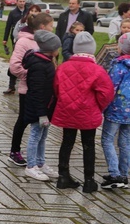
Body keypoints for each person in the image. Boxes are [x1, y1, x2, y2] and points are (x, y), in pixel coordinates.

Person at [52, 31, 114, 192]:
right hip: (88, 112)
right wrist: (98, 107)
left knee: (66, 142)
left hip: (67, 111)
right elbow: (106, 93)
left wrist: (65, 101)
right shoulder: (97, 70)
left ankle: (63, 176)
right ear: (92, 49)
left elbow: (57, 88)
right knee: (89, 145)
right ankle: (89, 180)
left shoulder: (63, 67)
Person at [7, 12, 54, 167]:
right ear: (42, 27)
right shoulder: (24, 42)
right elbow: (14, 66)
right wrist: (31, 75)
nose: (52, 29)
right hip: (28, 89)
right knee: (23, 120)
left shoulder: (45, 42)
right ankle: (14, 151)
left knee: (36, 124)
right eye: (50, 26)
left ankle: (38, 158)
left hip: (43, 89)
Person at [22, 30, 61, 181]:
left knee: (43, 136)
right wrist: (41, 113)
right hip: (39, 109)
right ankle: (31, 166)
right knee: (35, 136)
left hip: (46, 107)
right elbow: (37, 91)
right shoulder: (39, 65)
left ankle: (40, 162)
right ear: (50, 49)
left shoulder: (47, 61)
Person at [101, 33, 130, 189]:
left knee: (107, 139)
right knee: (125, 142)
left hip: (116, 110)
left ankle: (115, 174)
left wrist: (102, 107)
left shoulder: (118, 66)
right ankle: (124, 174)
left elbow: (109, 89)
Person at [2, 0, 26, 94]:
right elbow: (8, 26)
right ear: (16, 2)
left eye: (23, 1)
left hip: (29, 41)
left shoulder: (28, 11)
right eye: (20, 1)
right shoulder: (13, 13)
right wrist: (5, 38)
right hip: (16, 40)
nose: (22, 3)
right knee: (16, 60)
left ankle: (23, 81)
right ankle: (11, 85)